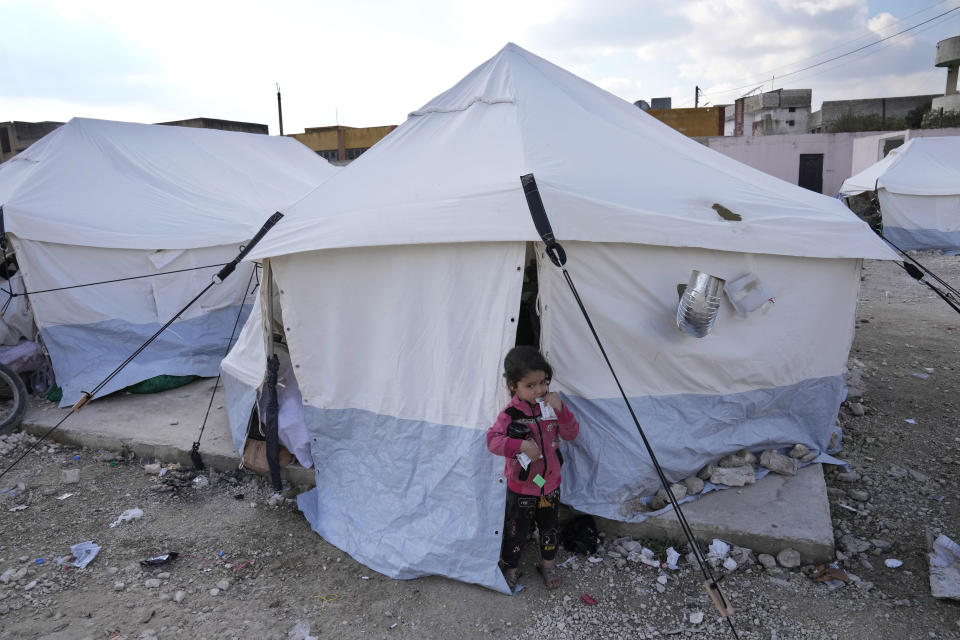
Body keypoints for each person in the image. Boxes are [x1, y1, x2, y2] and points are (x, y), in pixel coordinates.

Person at [487, 345, 579, 592]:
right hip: (522, 487)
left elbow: (571, 433)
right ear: (513, 386)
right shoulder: (511, 414)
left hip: (549, 484)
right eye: (530, 385)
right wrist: (522, 445)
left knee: (549, 527)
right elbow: (492, 441)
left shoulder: (551, 407)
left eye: (543, 382)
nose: (539, 390)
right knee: (516, 531)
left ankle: (548, 564)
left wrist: (561, 410)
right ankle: (511, 567)